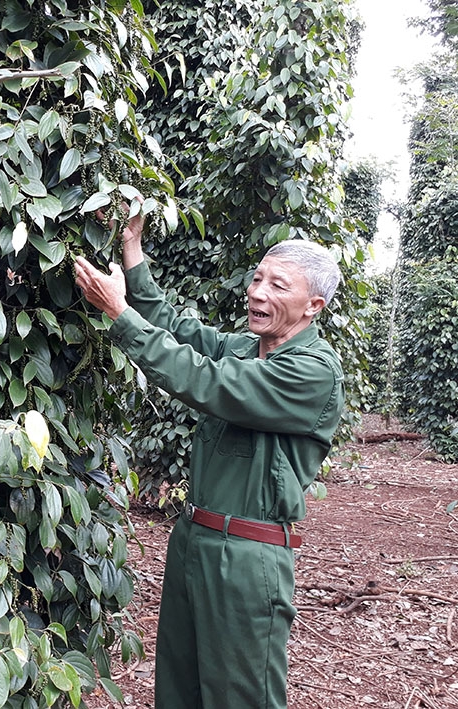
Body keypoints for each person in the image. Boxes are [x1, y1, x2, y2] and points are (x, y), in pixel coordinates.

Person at [73, 211, 344, 709]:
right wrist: (132, 248)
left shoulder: (312, 373)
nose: (258, 292)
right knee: (178, 689)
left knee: (239, 697)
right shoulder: (247, 348)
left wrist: (119, 316)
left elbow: (209, 383)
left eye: (277, 285)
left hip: (246, 557)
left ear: (313, 306)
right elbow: (174, 327)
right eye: (257, 278)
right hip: (193, 539)